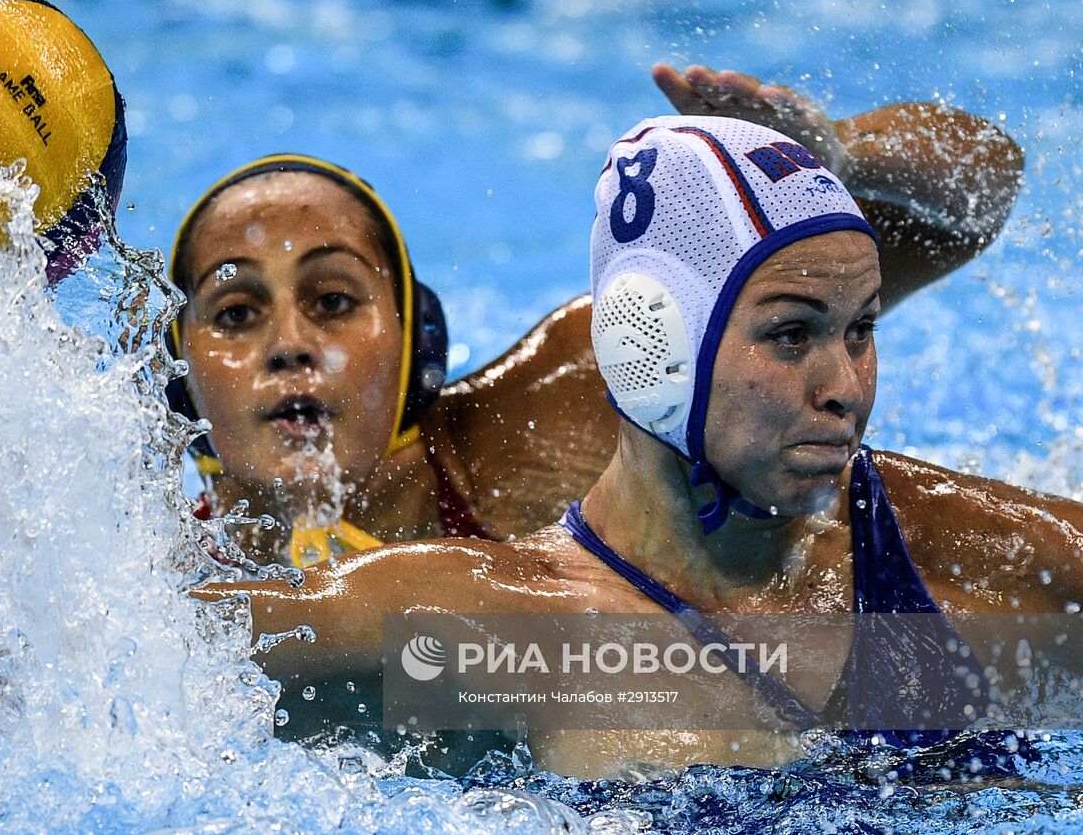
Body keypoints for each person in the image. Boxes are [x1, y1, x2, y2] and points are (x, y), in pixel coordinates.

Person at [194, 114, 1083, 776]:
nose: (846, 387)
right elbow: (152, 655)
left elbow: (976, 187)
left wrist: (840, 154)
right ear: (649, 347)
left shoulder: (941, 549)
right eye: (790, 335)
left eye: (861, 330)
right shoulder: (487, 622)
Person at [167, 64, 1024, 564]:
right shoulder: (147, 574)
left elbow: (978, 191)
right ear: (180, 370)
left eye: (332, 301)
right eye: (235, 313)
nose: (289, 345)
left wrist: (839, 155)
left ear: (418, 340)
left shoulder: (582, 393)